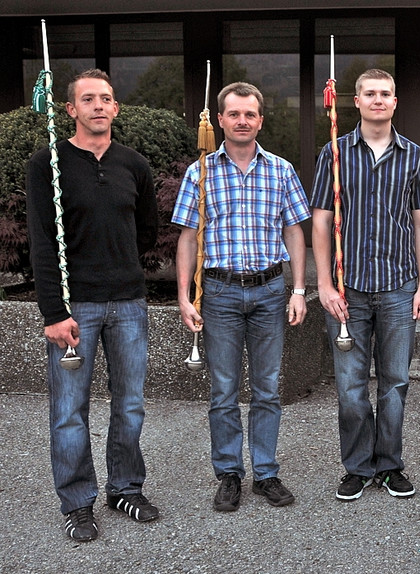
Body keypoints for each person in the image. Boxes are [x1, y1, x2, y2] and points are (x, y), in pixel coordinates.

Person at [26, 68, 160, 542]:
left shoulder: (134, 164)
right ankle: (77, 502)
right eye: (88, 99)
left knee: (130, 404)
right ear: (70, 109)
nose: (98, 106)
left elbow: (146, 230)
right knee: (69, 410)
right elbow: (43, 243)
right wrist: (53, 313)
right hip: (74, 306)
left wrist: (121, 265)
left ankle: (125, 487)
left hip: (128, 303)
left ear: (115, 108)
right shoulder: (48, 164)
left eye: (105, 98)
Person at [174, 81, 310, 512]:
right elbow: (188, 237)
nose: (242, 121)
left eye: (250, 114)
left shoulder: (281, 170)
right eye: (234, 114)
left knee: (267, 388)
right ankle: (229, 473)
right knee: (224, 390)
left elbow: (294, 231)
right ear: (220, 120)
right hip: (219, 292)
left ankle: (266, 473)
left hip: (269, 290)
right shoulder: (200, 172)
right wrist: (184, 296)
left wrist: (299, 290)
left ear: (260, 120)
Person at [310, 69, 420, 501]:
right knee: (350, 387)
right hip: (349, 288)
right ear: (356, 101)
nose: (378, 100)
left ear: (395, 102)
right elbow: (321, 221)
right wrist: (324, 284)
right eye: (370, 93)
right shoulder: (334, 153)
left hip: (399, 285)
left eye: (385, 93)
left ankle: (390, 465)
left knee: (395, 383)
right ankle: (358, 467)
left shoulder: (415, 156)